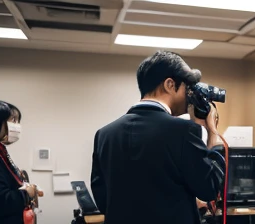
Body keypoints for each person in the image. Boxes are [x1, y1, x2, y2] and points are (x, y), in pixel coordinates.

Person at [90, 50, 225, 224]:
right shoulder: (184, 131)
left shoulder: (104, 134)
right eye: (186, 87)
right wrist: (212, 133)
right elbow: (209, 189)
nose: (189, 95)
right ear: (170, 84)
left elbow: (103, 201)